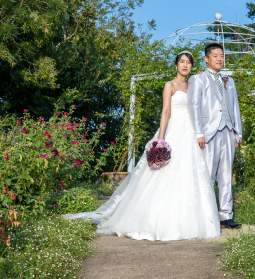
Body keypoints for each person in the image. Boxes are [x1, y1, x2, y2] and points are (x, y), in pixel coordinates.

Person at [64, 51, 221, 240]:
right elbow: (165, 112)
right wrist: (161, 138)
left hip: (190, 134)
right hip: (174, 131)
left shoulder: (193, 86)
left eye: (188, 62)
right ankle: (154, 220)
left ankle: (193, 222)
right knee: (164, 174)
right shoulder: (169, 85)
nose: (185, 65)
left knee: (190, 173)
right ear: (176, 65)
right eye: (182, 62)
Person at [187, 42, 243, 229]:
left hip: (228, 132)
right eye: (215, 55)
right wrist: (199, 132)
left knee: (226, 174)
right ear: (206, 59)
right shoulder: (198, 79)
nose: (220, 58)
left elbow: (235, 107)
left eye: (221, 55)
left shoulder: (229, 80)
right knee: (208, 175)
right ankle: (206, 214)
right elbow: (194, 107)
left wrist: (238, 131)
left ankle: (225, 216)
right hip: (208, 133)